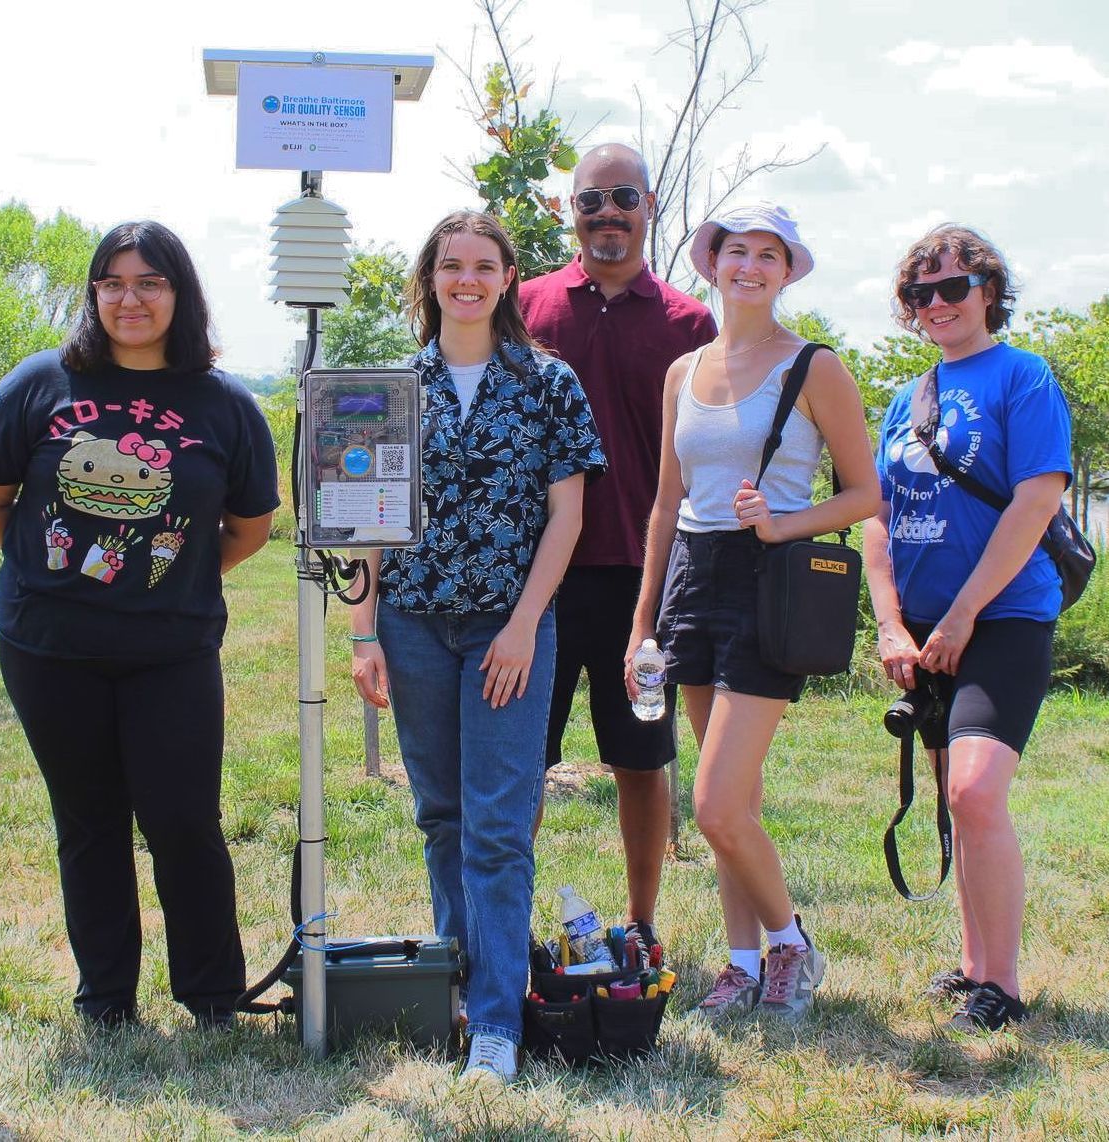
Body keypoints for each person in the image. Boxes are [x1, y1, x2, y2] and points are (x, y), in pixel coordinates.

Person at [0, 221, 277, 1032]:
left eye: (149, 283)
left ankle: (211, 994)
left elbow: (247, 526)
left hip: (171, 650)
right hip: (49, 647)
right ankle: (105, 998)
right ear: (93, 294)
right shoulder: (39, 385)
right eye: (112, 283)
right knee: (89, 822)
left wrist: (164, 581)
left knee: (183, 820)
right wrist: (60, 573)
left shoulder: (224, 404)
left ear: (181, 295)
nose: (128, 299)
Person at [349, 210, 605, 1083]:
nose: (467, 278)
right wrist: (362, 635)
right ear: (429, 279)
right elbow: (362, 523)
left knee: (497, 827)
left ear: (507, 279)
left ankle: (497, 1023)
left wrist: (526, 625)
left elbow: (567, 515)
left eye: (483, 265)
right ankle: (459, 990)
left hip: (510, 629)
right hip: (412, 625)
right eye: (450, 264)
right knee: (442, 817)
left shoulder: (548, 383)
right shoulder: (387, 389)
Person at [625, 203, 877, 1021]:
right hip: (693, 580)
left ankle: (793, 946)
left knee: (717, 803)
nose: (751, 268)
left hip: (772, 583)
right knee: (733, 802)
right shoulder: (681, 372)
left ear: (788, 271)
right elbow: (666, 505)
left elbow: (866, 493)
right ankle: (740, 966)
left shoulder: (815, 368)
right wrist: (643, 623)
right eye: (738, 252)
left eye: (770, 256)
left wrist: (783, 521)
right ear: (713, 263)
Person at [864, 226, 1070, 1033]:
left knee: (976, 790)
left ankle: (1006, 985)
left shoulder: (1024, 375)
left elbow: (1037, 499)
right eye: (922, 293)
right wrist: (890, 623)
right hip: (921, 630)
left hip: (1004, 615)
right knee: (957, 797)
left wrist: (962, 615)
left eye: (955, 287)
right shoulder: (902, 398)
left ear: (988, 291)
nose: (939, 304)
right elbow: (876, 517)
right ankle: (973, 966)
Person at [520, 142, 717, 960]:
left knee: (641, 755)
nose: (607, 214)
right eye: (591, 200)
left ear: (649, 208)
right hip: (533, 579)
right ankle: (505, 922)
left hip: (646, 582)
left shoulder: (688, 322)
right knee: (521, 758)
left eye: (623, 198)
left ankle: (642, 921)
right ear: (571, 210)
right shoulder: (523, 306)